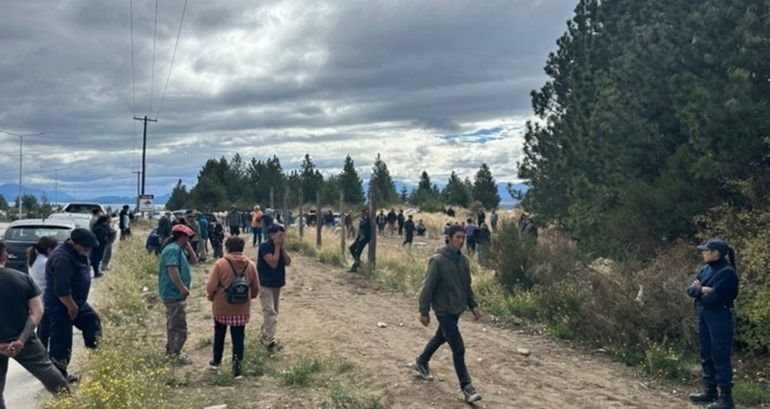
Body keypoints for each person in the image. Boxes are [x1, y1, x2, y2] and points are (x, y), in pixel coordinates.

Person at [412, 225, 482, 403]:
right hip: (443, 310)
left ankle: (421, 361)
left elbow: (467, 287)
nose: (461, 241)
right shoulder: (438, 260)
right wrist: (424, 311)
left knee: (441, 337)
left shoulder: (463, 261)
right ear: (449, 238)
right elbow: (427, 287)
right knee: (458, 348)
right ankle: (467, 388)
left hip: (456, 309)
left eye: (463, 238)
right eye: (458, 237)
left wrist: (473, 306)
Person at [1, 240, 69, 407]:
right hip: (25, 341)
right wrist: (21, 341)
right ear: (4, 256)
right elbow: (37, 312)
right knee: (49, 373)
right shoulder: (22, 278)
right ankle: (69, 403)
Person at [687, 239, 739, 409]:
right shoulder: (706, 269)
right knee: (706, 352)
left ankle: (726, 398)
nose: (703, 253)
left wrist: (700, 291)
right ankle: (710, 391)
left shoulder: (727, 272)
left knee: (720, 355)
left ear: (716, 253)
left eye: (706, 250)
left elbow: (715, 298)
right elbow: (691, 289)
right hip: (703, 314)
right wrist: (702, 289)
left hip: (719, 316)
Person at [45, 228, 102, 381]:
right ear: (74, 243)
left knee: (92, 321)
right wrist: (72, 307)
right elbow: (61, 290)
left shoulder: (78, 253)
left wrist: (76, 305)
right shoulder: (63, 258)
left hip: (76, 302)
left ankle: (97, 355)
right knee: (61, 340)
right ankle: (59, 377)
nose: (88, 250)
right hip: (62, 304)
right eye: (85, 247)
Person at [206, 236, 260, 379]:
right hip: (241, 307)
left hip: (221, 306)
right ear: (242, 248)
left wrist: (212, 297)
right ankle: (237, 370)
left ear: (227, 248)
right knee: (238, 338)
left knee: (219, 334)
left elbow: (211, 286)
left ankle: (216, 362)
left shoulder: (220, 264)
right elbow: (256, 288)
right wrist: (248, 298)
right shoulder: (250, 265)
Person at [158, 224, 198, 365]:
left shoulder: (179, 249)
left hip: (176, 294)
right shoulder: (172, 250)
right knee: (178, 325)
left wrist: (188, 247)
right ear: (182, 237)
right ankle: (175, 353)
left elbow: (194, 261)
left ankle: (172, 349)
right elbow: (172, 270)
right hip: (173, 293)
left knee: (174, 322)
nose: (189, 240)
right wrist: (181, 287)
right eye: (188, 238)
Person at [257, 224, 292, 352]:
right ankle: (270, 341)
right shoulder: (264, 247)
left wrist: (281, 248)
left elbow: (288, 262)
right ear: (271, 235)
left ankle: (265, 335)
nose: (282, 238)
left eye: (283, 235)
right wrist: (277, 248)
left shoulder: (280, 248)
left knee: (273, 312)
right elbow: (272, 263)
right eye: (279, 235)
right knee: (270, 311)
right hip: (265, 284)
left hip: (277, 283)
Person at [27, 236, 59, 348]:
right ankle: (43, 352)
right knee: (45, 330)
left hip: (39, 298)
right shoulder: (46, 262)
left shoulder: (35, 259)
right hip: (45, 298)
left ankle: (42, 350)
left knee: (42, 329)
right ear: (49, 250)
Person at [348, 208, 371, 273]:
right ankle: (358, 263)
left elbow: (367, 231)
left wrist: (362, 238)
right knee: (351, 248)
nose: (362, 214)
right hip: (359, 238)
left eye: (363, 213)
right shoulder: (362, 220)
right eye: (361, 213)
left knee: (358, 252)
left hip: (364, 238)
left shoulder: (368, 220)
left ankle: (355, 267)